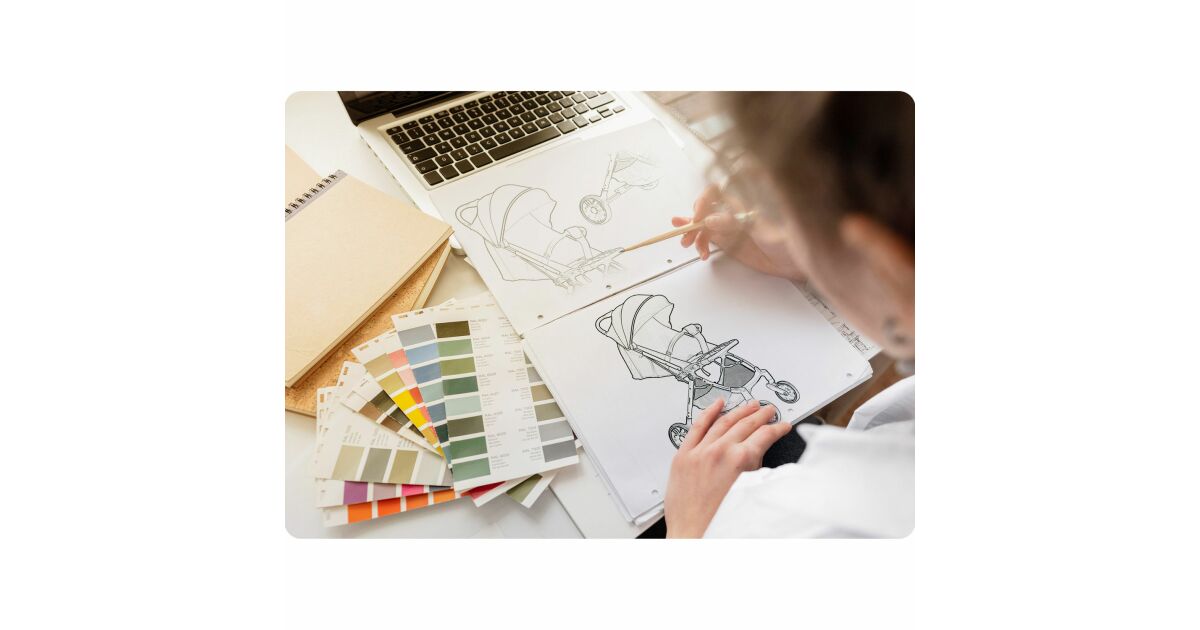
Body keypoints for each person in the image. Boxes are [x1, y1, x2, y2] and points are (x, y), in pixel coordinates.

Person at [663, 92, 915, 538]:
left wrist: (689, 531)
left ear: (881, 263)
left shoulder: (800, 527)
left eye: (785, 217)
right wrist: (817, 256)